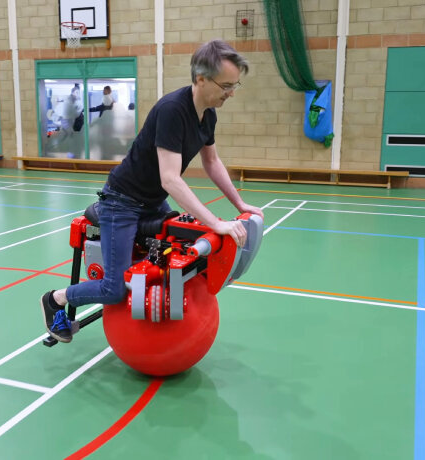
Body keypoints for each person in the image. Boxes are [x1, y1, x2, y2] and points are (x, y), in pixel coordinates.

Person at [41, 39, 264, 343]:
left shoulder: (208, 114)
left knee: (172, 254)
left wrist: (240, 202)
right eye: (226, 85)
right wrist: (216, 222)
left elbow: (211, 162)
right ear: (201, 78)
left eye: (234, 85)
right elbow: (170, 179)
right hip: (122, 202)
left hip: (152, 201)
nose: (231, 93)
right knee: (114, 288)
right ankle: (56, 299)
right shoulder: (173, 110)